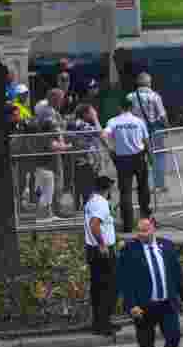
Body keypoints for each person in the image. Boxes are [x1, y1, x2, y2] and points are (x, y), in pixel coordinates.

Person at [118, 218, 183, 347]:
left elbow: (177, 272)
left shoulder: (167, 246)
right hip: (144, 307)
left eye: (146, 230)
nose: (142, 235)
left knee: (174, 337)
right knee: (146, 344)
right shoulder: (129, 250)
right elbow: (124, 280)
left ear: (153, 229)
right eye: (139, 231)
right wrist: (131, 305)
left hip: (167, 304)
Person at [101, 96, 152, 233]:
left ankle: (128, 225)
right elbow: (146, 141)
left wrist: (110, 149)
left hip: (122, 159)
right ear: (132, 108)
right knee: (143, 188)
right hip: (139, 157)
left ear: (120, 108)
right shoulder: (139, 121)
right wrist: (151, 156)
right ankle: (146, 219)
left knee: (125, 191)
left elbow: (103, 135)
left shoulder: (113, 121)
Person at [84, 174, 120, 336]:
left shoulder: (91, 201)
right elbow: (94, 225)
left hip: (92, 250)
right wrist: (103, 244)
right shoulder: (101, 204)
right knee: (109, 288)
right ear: (107, 189)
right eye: (111, 188)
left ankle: (99, 323)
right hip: (102, 252)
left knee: (98, 288)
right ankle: (104, 325)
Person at [128, 72, 169, 193]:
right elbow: (162, 115)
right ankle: (160, 184)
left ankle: (146, 184)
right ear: (149, 83)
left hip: (137, 133)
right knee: (159, 156)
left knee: (142, 158)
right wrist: (167, 127)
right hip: (154, 131)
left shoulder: (130, 97)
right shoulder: (154, 96)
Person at [70, 104, 104, 210]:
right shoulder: (80, 124)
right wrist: (95, 118)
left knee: (82, 185)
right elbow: (99, 132)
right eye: (92, 111)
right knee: (86, 186)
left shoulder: (78, 123)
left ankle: (82, 206)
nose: (94, 112)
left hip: (84, 159)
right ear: (85, 114)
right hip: (83, 159)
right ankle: (85, 209)